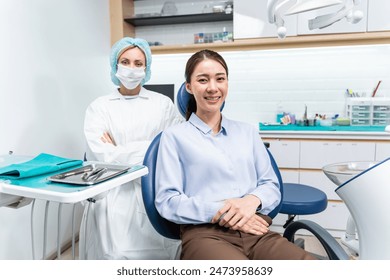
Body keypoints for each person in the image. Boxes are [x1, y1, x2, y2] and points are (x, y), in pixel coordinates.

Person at [155, 49, 316, 260]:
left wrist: (252, 200)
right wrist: (225, 211)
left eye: (220, 79)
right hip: (205, 235)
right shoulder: (173, 137)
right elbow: (167, 201)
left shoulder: (247, 132)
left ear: (227, 84)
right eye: (203, 80)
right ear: (189, 87)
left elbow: (271, 185)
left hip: (255, 230)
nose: (213, 87)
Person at [80, 37, 183, 260]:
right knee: (114, 253)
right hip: (113, 191)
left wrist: (120, 150)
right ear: (115, 65)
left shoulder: (162, 104)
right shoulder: (99, 107)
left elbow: (173, 148)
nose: (131, 69)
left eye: (138, 63)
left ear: (146, 68)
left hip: (153, 188)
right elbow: (102, 155)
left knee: (161, 253)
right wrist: (151, 149)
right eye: (125, 61)